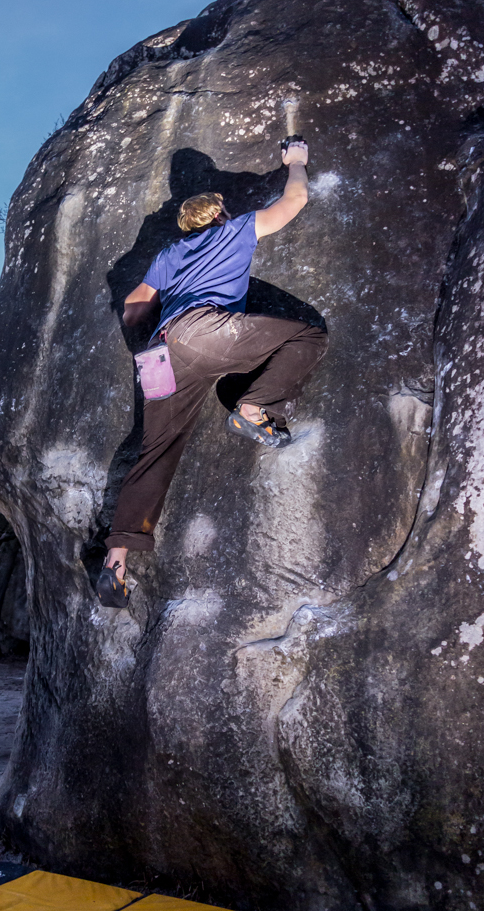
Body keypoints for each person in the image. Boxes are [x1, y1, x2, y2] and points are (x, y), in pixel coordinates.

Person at [96, 139, 328, 608]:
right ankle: (255, 407)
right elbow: (295, 200)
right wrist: (297, 162)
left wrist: (151, 328)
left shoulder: (169, 254)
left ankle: (116, 561)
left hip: (163, 354)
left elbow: (133, 309)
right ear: (219, 214)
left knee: (155, 452)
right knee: (308, 336)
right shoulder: (236, 229)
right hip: (209, 332)